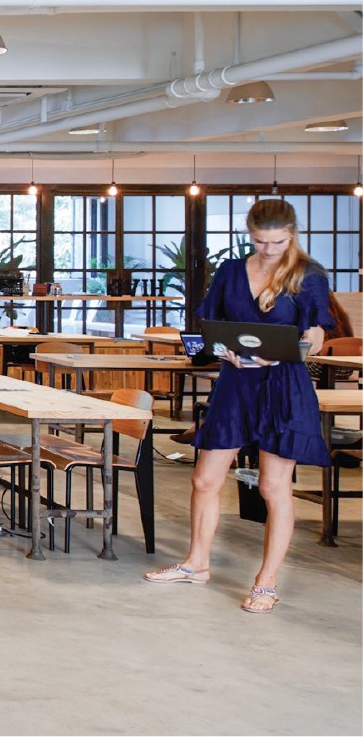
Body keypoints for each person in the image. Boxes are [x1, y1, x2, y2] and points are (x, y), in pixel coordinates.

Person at [143, 200, 333, 614]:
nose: (269, 250)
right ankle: (196, 563)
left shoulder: (307, 274)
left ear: (292, 234)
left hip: (283, 386)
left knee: (272, 487)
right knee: (204, 480)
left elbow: (316, 336)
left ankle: (266, 583)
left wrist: (284, 353)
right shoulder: (231, 271)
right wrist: (222, 350)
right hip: (236, 383)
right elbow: (210, 329)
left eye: (278, 242)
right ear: (250, 235)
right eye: (261, 242)